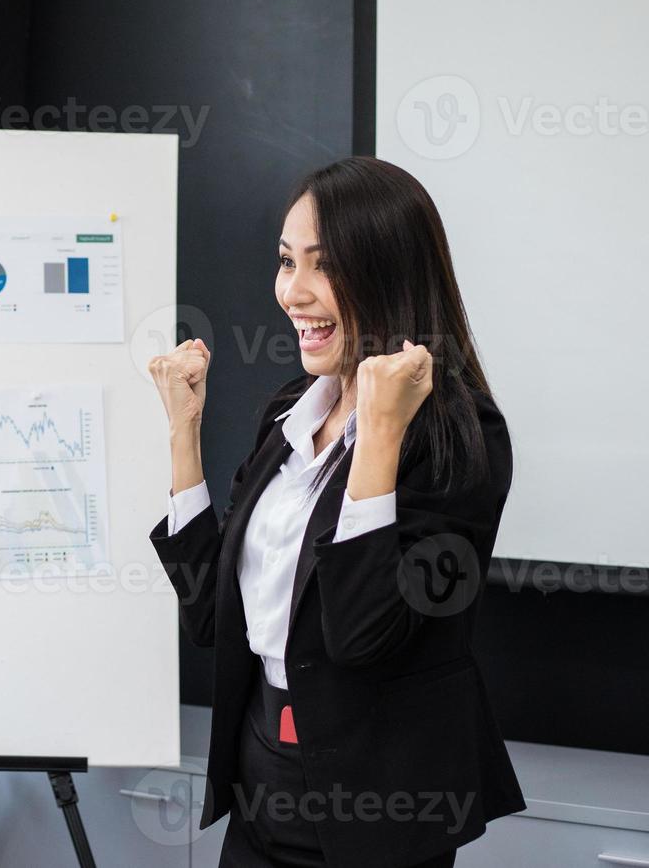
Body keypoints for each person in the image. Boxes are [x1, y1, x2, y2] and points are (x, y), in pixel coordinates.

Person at [147, 157, 523, 868]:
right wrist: (182, 434)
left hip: (379, 806)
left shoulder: (461, 439)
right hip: (262, 779)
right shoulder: (291, 409)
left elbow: (361, 635)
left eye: (324, 266)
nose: (294, 292)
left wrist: (378, 436)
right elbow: (211, 618)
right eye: (287, 262)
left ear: (389, 274)